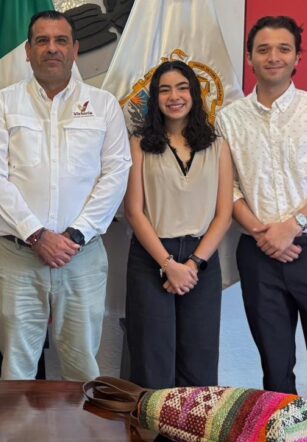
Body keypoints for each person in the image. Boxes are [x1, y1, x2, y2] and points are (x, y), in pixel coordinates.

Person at [218, 16, 307, 438]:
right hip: (259, 256)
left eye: (283, 49)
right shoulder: (228, 119)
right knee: (275, 367)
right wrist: (264, 233)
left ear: (297, 57)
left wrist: (292, 225)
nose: (273, 57)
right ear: (249, 58)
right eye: (263, 49)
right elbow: (228, 188)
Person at [0, 10, 131, 381]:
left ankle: (78, 425)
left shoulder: (104, 105)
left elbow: (116, 173)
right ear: (27, 51)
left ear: (75, 49)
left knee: (83, 369)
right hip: (18, 257)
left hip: (82, 257)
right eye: (42, 41)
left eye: (61, 40)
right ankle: (19, 426)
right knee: (17, 369)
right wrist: (37, 235)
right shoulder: (1, 104)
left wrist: (75, 235)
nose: (52, 48)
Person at [124, 60, 233, 389]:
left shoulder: (217, 146)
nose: (174, 97)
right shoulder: (139, 144)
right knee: (152, 360)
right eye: (165, 90)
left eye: (182, 88)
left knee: (200, 362)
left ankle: (194, 425)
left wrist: (193, 264)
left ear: (195, 94)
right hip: (152, 257)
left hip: (201, 259)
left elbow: (224, 214)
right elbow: (134, 212)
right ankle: (151, 425)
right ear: (155, 98)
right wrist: (168, 264)